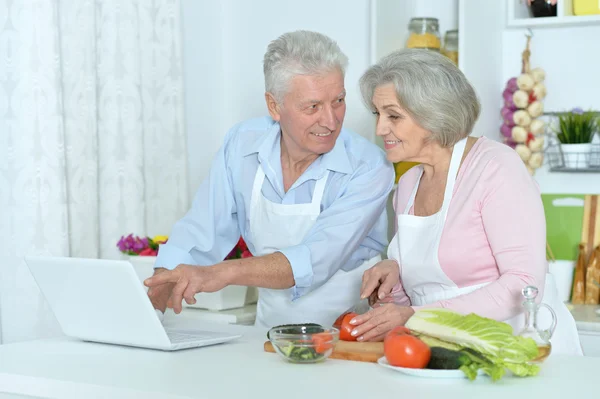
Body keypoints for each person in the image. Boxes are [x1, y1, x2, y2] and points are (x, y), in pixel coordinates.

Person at [143, 30, 394, 328]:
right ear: (274, 106)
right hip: (266, 335)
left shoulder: (368, 166)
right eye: (313, 107)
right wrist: (154, 298)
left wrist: (219, 273)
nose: (331, 120)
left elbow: (314, 260)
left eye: (338, 100)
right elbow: (200, 231)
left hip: (348, 335)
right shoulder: (242, 144)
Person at [348, 49, 582, 356]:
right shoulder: (407, 184)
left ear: (432, 114)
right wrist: (394, 281)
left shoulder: (497, 168)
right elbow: (426, 292)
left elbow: (524, 284)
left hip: (518, 350)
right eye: (378, 114)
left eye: (393, 115)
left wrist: (418, 318)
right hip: (449, 351)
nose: (380, 129)